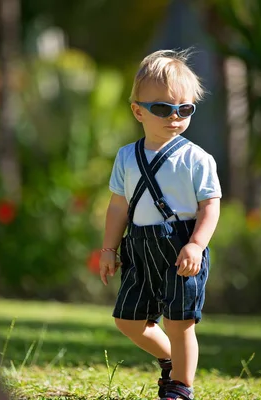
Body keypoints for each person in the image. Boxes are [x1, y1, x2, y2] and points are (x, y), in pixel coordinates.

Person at [99, 49, 222, 400]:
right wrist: (109, 247)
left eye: (184, 109)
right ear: (138, 111)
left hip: (181, 244)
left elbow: (210, 206)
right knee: (128, 320)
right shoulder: (127, 156)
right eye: (162, 108)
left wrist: (196, 244)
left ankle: (180, 387)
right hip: (138, 246)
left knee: (180, 322)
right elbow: (118, 206)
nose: (174, 117)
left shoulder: (197, 158)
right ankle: (170, 358)